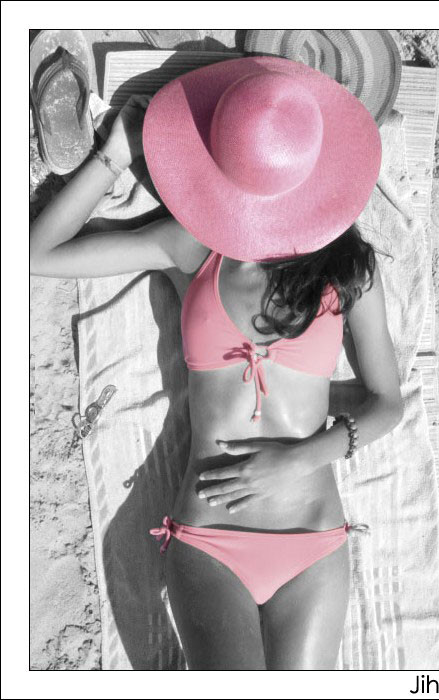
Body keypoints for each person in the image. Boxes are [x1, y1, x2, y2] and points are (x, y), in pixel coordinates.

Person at [30, 57, 404, 670]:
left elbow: (388, 402)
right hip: (210, 541)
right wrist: (112, 157)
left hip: (311, 545)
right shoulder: (195, 247)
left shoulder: (348, 269)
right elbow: (35, 255)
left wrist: (299, 457)